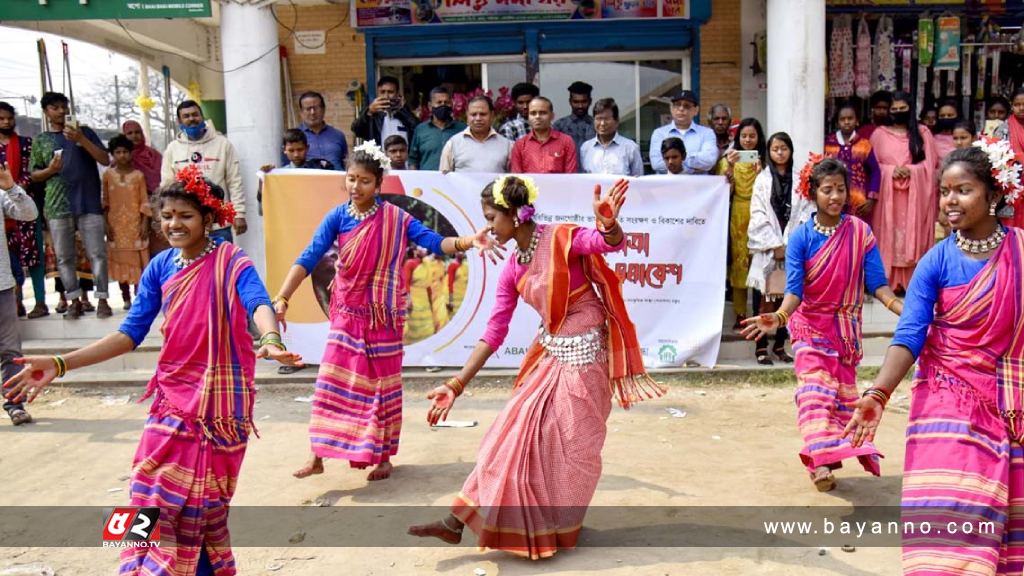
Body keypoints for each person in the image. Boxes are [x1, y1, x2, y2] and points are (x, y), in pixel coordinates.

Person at [3, 166, 301, 573]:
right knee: (148, 488)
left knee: (202, 506)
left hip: (218, 409)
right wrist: (61, 363)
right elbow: (129, 334)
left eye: (185, 216)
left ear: (208, 219)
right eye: (167, 216)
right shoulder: (161, 266)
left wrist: (270, 339)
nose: (174, 224)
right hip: (171, 399)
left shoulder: (231, 259)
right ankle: (139, 568)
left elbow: (258, 302)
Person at [407, 175, 665, 558]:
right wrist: (456, 385)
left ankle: (556, 529)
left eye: (492, 217)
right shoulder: (512, 267)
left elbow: (607, 243)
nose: (488, 227)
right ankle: (455, 520)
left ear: (515, 215)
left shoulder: (562, 238)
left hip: (586, 355)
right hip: (550, 353)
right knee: (511, 430)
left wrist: (609, 225)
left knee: (572, 446)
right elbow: (493, 332)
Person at [272, 141, 501, 482]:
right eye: (351, 179)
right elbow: (308, 257)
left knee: (382, 387)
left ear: (378, 184)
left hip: (383, 317)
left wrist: (469, 241)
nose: (356, 186)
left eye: (364, 181)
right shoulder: (337, 216)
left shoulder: (396, 218)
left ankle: (383, 457)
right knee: (331, 382)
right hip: (347, 313)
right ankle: (318, 454)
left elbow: (435, 242)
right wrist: (282, 297)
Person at [844, 142, 1024, 575]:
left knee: (996, 522)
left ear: (993, 194)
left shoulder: (1021, 252)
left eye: (963, 190)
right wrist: (878, 391)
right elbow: (910, 333)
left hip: (1008, 403)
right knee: (948, 512)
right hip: (944, 400)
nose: (950, 201)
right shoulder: (935, 262)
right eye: (945, 191)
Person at [742, 156, 901, 492]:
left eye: (840, 189)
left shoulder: (860, 232)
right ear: (812, 193)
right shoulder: (800, 237)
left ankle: (825, 455)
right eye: (827, 189)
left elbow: (877, 282)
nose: (835, 196)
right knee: (815, 394)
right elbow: (795, 290)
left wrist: (899, 306)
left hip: (845, 330)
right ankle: (822, 464)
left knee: (841, 400)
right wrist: (780, 317)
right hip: (809, 327)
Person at [29, 91, 113, 319]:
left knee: (97, 253)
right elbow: (34, 175)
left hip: (88, 201)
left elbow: (105, 159)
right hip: (57, 205)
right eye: (55, 108)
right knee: (64, 257)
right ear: (46, 112)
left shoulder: (84, 132)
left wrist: (81, 140)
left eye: (64, 106)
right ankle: (74, 300)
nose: (61, 111)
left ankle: (103, 299)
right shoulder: (42, 140)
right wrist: (51, 170)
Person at [746, 131, 813, 364]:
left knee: (789, 296)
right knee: (762, 298)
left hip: (792, 249)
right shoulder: (762, 180)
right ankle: (761, 345)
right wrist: (774, 244)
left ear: (791, 151)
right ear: (769, 152)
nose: (780, 152)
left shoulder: (799, 181)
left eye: (784, 148)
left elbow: (806, 213)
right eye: (775, 149)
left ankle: (780, 345)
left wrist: (790, 245)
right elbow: (757, 214)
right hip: (768, 248)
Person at [869, 91, 938, 293]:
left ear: (910, 109)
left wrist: (912, 171)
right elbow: (872, 167)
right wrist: (890, 170)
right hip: (887, 199)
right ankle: (886, 281)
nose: (898, 112)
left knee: (912, 234)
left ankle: (915, 281)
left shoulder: (923, 133)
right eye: (894, 109)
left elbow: (931, 166)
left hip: (914, 200)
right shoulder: (879, 134)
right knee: (888, 234)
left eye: (902, 109)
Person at [161, 100, 247, 243]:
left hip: (219, 224)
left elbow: (235, 181)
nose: (192, 119)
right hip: (186, 225)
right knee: (191, 265)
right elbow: (167, 186)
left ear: (202, 116)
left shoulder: (222, 144)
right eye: (186, 116)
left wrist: (239, 213)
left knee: (221, 264)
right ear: (179, 121)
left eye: (195, 115)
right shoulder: (173, 149)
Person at [715, 118, 766, 328]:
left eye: (752, 136)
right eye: (743, 136)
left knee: (761, 263)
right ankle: (739, 314)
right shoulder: (727, 161)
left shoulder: (765, 161)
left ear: (758, 138)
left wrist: (761, 172)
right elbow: (723, 193)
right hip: (737, 213)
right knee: (739, 265)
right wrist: (729, 171)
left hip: (760, 215)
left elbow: (769, 191)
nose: (747, 140)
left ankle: (761, 312)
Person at [0, 163, 40, 425]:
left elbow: (29, 213)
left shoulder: (2, 192)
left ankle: (14, 403)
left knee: (10, 350)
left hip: (1, 284)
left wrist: (11, 186)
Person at [0, 101, 45, 319]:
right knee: (8, 262)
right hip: (2, 210)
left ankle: (40, 302)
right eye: (1, 119)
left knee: (33, 257)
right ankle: (16, 304)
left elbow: (32, 170)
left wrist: (15, 188)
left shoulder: (27, 143)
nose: (6, 122)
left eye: (9, 118)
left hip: (23, 204)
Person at [102, 135, 151, 311]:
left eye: (125, 152)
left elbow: (144, 201)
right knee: (120, 262)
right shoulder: (108, 175)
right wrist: (106, 225)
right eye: (118, 152)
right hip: (116, 226)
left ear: (131, 154)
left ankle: (139, 299)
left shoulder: (138, 176)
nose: (122, 155)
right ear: (113, 154)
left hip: (135, 225)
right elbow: (105, 202)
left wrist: (145, 223)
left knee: (138, 264)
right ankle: (125, 298)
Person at [824, 100, 881, 218]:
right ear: (837, 122)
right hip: (833, 201)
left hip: (859, 205)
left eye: (850, 118)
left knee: (857, 235)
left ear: (857, 121)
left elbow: (875, 171)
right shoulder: (828, 144)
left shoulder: (864, 145)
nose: (846, 122)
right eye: (842, 119)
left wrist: (871, 199)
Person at [122, 120, 167, 257]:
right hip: (131, 210)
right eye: (129, 133)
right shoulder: (121, 161)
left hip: (156, 205)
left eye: (137, 132)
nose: (134, 136)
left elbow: (165, 179)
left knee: (160, 246)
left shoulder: (154, 156)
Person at [648, 90, 717, 175]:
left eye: (687, 106)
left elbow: (709, 161)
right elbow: (657, 164)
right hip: (667, 186)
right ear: (671, 109)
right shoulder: (659, 133)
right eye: (677, 105)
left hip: (697, 187)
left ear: (696, 110)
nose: (681, 109)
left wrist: (676, 161)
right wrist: (695, 166)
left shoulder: (707, 133)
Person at [439, 95, 511, 174]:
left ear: (492, 115)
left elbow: (513, 181)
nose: (478, 118)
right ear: (467, 116)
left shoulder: (507, 145)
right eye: (473, 114)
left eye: (483, 114)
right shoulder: (453, 144)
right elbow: (443, 179)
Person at [510, 97, 578, 174]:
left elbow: (570, 177)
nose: (537, 117)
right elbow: (517, 178)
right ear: (528, 117)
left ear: (552, 116)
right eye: (533, 113)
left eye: (542, 113)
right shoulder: (520, 145)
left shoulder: (566, 142)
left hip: (558, 186)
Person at [579, 98, 644, 177]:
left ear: (617, 121)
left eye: (606, 119)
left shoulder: (630, 147)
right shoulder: (585, 148)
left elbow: (638, 180)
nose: (602, 123)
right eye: (599, 119)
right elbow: (583, 179)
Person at [408, 86, 466, 171]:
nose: (443, 105)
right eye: (439, 102)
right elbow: (413, 161)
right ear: (430, 106)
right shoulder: (420, 130)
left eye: (446, 102)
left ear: (451, 104)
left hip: (455, 182)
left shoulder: (462, 129)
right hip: (427, 182)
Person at [287, 91, 348, 170]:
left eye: (316, 108)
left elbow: (346, 163)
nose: (313, 112)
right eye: (308, 109)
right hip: (307, 181)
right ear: (301, 112)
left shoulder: (338, 135)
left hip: (337, 180)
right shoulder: (293, 137)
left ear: (323, 109)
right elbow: (285, 168)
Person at [351, 75, 419, 146]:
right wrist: (369, 112)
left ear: (397, 93)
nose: (386, 96)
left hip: (402, 156)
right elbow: (357, 130)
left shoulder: (404, 113)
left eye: (390, 92)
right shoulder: (372, 115)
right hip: (379, 156)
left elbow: (419, 131)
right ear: (378, 93)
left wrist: (403, 110)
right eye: (382, 92)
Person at [1000, 88, 1024, 228]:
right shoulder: (1003, 129)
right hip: (1011, 188)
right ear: (1011, 105)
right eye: (1017, 104)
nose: (1021, 108)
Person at [553, 81, 596, 152]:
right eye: (576, 102)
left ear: (590, 101)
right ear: (570, 102)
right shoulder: (559, 126)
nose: (580, 106)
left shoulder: (597, 125)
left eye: (584, 101)